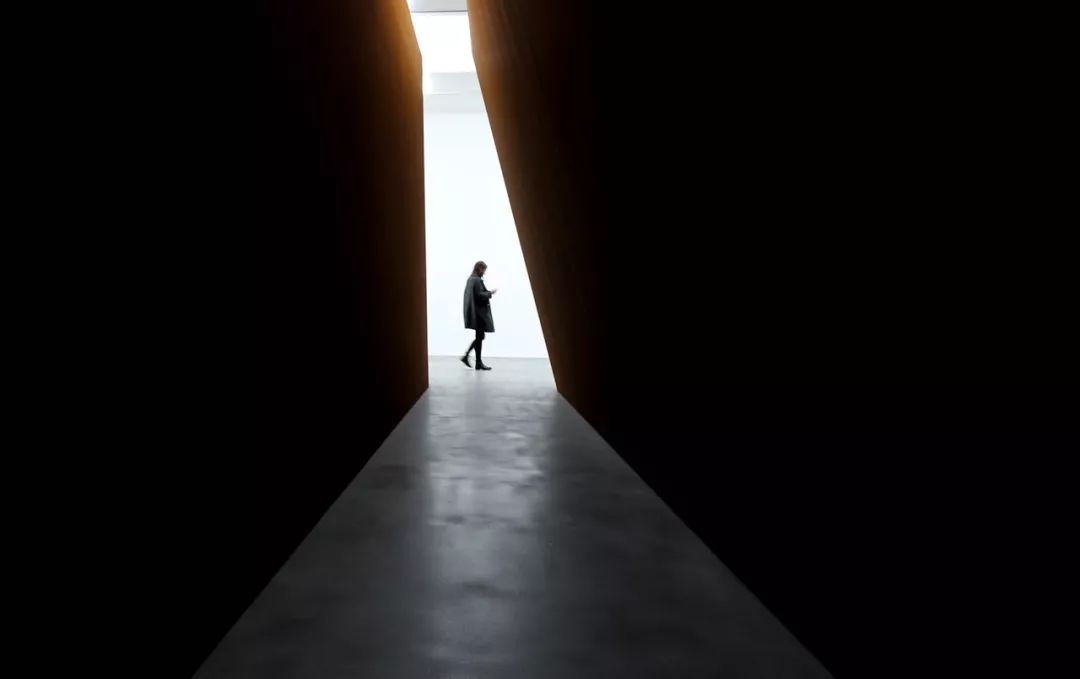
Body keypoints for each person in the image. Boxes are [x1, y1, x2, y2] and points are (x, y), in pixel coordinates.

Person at [461, 260, 497, 370]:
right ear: (479, 268)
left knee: (479, 337)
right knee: (480, 337)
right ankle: (468, 357)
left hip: (475, 313)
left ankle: (477, 362)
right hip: (479, 314)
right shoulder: (476, 280)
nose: (484, 272)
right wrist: (490, 293)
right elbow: (479, 296)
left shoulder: (470, 279)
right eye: (483, 270)